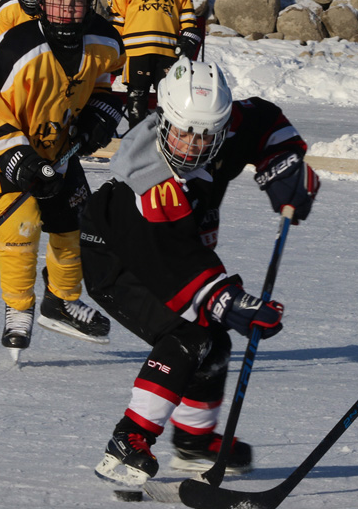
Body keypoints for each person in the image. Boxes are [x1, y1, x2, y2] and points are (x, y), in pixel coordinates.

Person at [80, 58, 320, 486]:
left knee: (215, 340)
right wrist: (227, 300)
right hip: (117, 256)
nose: (192, 145)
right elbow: (173, 263)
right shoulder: (146, 182)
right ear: (164, 118)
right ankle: (128, 440)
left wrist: (282, 163)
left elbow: (264, 119)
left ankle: (194, 443)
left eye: (205, 135)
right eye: (183, 132)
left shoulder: (217, 128)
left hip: (175, 250)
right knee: (189, 336)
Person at [0, 0, 126, 357]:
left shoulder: (105, 42)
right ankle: (18, 308)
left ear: (90, 0)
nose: (67, 8)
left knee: (75, 219)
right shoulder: (18, 47)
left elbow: (103, 86)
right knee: (23, 222)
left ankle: (61, 300)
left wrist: (99, 118)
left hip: (56, 144)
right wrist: (19, 159)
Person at [106, 0, 201, 128]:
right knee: (136, 95)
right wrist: (114, 51)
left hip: (169, 50)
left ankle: (167, 144)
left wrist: (189, 36)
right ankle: (136, 142)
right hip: (136, 51)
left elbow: (187, 11)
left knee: (169, 97)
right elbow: (117, 19)